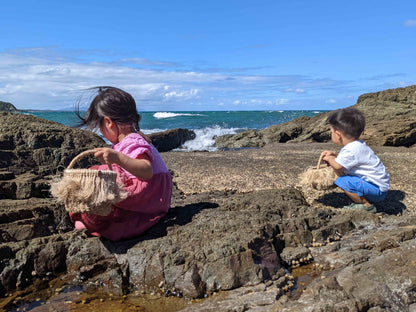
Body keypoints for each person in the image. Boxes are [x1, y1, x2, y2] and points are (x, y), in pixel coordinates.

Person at [70, 86, 172, 241]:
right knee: (102, 171)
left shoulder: (133, 140)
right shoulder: (133, 139)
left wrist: (117, 158)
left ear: (108, 122)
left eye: (100, 127)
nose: (101, 132)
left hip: (147, 198)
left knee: (98, 181)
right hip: (152, 200)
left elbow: (146, 170)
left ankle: (98, 222)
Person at [321, 107, 389, 212]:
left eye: (332, 132)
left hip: (376, 190)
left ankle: (367, 206)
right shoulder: (358, 145)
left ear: (338, 135)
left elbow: (338, 166)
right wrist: (335, 154)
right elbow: (351, 159)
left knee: (343, 181)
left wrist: (330, 158)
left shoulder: (351, 149)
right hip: (379, 187)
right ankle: (364, 196)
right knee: (346, 177)